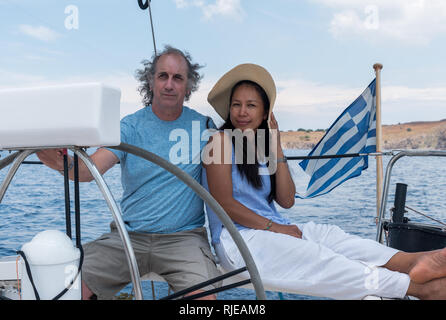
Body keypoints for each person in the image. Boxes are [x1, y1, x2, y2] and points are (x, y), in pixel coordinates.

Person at [202, 63, 446, 300]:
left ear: (265, 113)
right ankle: (418, 288)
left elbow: (286, 200)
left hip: (271, 229)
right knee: (316, 256)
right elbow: (225, 204)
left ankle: (411, 261)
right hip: (238, 240)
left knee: (331, 236)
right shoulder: (220, 141)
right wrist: (275, 228)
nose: (242, 112)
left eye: (251, 105)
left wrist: (276, 145)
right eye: (236, 105)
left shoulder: (261, 146)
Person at [37, 45, 220, 300]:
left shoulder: (205, 127)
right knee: (68, 288)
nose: (169, 84)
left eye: (178, 78)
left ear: (188, 86)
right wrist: (60, 163)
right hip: (128, 238)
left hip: (184, 240)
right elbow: (90, 170)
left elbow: (231, 178)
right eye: (162, 76)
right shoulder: (129, 127)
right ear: (151, 81)